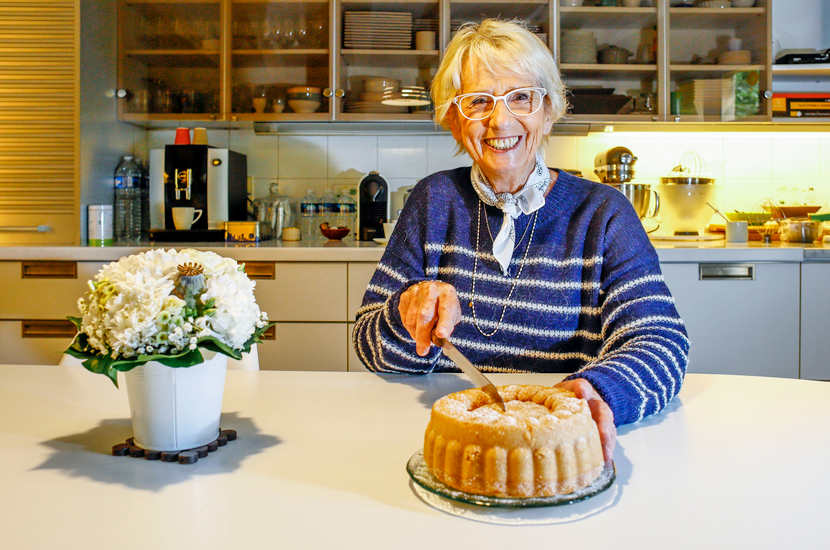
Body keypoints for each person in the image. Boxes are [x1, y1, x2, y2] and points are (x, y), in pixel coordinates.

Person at [352, 19, 689, 464]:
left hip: (556, 444)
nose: (500, 120)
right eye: (478, 101)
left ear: (548, 112)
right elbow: (369, 345)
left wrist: (595, 392)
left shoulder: (603, 213)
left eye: (521, 97)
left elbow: (661, 341)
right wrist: (406, 313)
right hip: (451, 439)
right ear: (454, 119)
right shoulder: (433, 200)